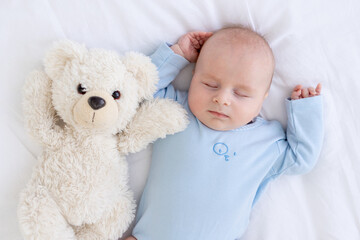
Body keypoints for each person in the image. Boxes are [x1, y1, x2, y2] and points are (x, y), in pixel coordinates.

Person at [125, 26, 323, 240]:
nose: (222, 99)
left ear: (263, 97)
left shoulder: (266, 142)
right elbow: (139, 93)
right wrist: (178, 55)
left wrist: (305, 111)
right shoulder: (175, 110)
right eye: (210, 84)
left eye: (241, 93)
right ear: (193, 77)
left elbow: (301, 158)